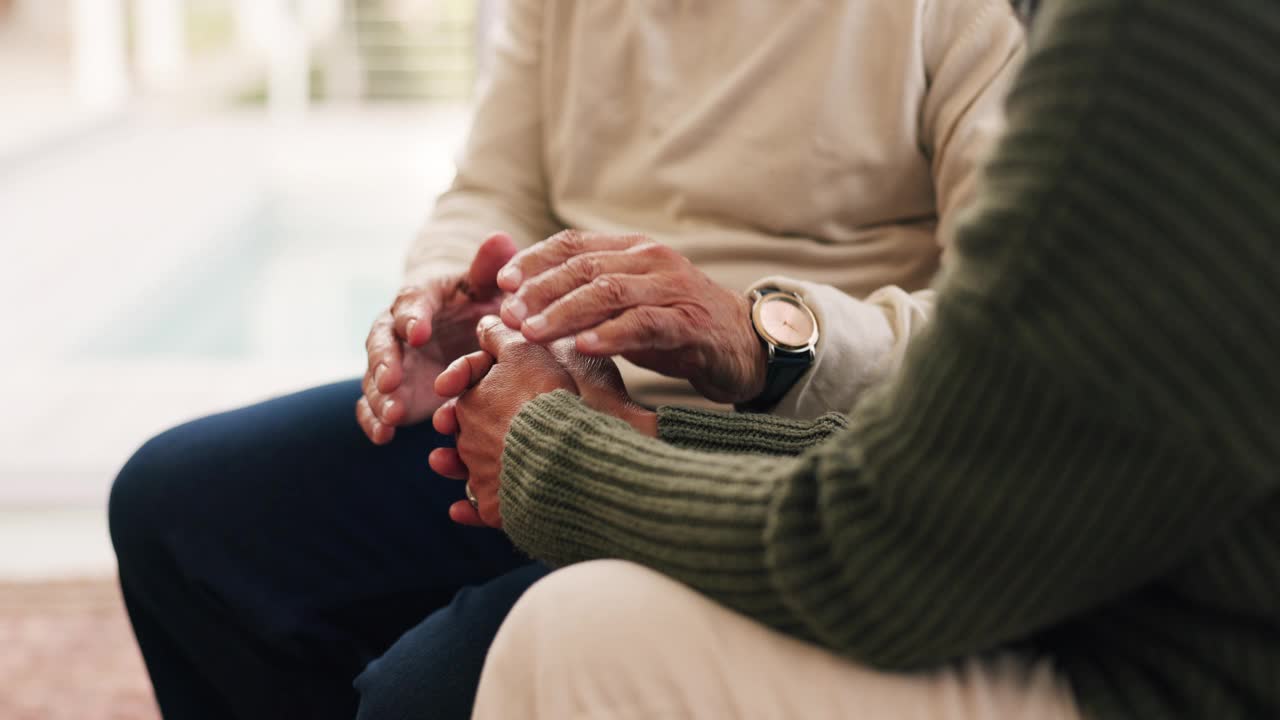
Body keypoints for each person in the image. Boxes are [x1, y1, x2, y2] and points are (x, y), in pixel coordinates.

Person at [107, 1, 1026, 717]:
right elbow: (494, 183)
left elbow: (1023, 329)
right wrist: (447, 293)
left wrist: (760, 340)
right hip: (543, 398)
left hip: (762, 439)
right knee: (175, 511)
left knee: (432, 692)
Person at [432, 0, 1280, 717]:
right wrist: (472, 311)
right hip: (1047, 555)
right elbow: (991, 465)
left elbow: (901, 543)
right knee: (297, 489)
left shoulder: (1154, 38)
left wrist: (568, 457)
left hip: (1158, 658)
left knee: (552, 640)